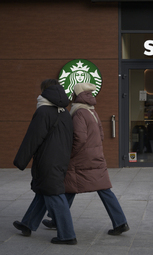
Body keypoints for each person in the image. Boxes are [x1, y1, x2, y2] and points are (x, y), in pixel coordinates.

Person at [42, 82, 129, 236]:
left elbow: (79, 138)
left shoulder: (79, 112)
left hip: (82, 158)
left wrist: (70, 154)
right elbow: (101, 135)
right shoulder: (92, 111)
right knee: (101, 189)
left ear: (77, 95)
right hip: (95, 155)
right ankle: (120, 222)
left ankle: (56, 219)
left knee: (68, 186)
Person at [13, 79, 77, 245]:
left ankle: (67, 235)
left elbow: (32, 139)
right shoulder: (65, 113)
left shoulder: (43, 112)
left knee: (55, 195)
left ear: (44, 92)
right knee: (43, 191)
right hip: (61, 160)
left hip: (47, 161)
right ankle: (27, 224)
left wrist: (20, 161)